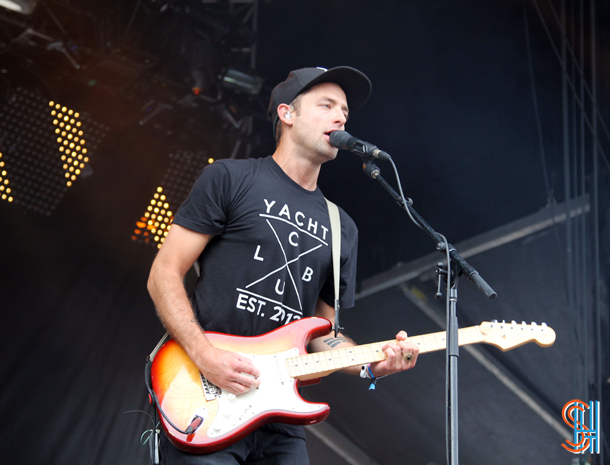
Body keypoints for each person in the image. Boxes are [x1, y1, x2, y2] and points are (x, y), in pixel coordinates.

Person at [147, 66, 420, 464]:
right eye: (326, 105)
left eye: (344, 110)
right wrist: (205, 354)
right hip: (204, 391)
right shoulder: (229, 178)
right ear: (287, 114)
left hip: (279, 420)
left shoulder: (342, 228)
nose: (340, 117)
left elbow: (323, 335)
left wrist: (371, 363)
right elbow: (163, 274)